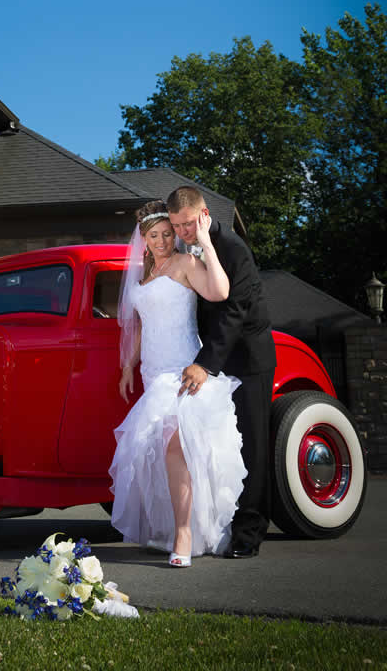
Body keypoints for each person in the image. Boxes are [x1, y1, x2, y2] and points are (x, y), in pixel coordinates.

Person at [109, 200, 247, 567]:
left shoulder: (186, 264)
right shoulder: (143, 278)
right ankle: (168, 529)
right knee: (157, 453)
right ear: (143, 240)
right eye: (153, 235)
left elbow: (219, 292)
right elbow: (143, 326)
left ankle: (185, 533)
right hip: (152, 374)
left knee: (176, 444)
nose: (161, 241)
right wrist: (128, 366)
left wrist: (206, 243)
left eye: (167, 234)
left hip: (185, 369)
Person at [166, 186, 276, 559]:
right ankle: (219, 525)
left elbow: (234, 313)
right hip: (213, 360)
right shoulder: (182, 249)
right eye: (176, 225)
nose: (181, 231)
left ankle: (249, 535)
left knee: (253, 445)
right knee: (219, 448)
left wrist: (204, 363)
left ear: (205, 214)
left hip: (248, 360)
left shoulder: (233, 249)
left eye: (187, 223)